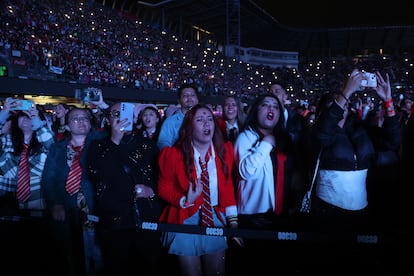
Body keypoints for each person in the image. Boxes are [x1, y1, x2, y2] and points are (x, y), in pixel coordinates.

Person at [309, 69, 402, 270]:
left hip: (361, 211)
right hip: (329, 213)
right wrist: (344, 93)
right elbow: (322, 135)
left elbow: (393, 142)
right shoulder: (319, 132)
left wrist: (388, 102)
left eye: (345, 102)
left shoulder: (359, 129)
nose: (342, 105)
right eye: (333, 103)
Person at [157, 103, 241, 276]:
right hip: (184, 219)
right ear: (189, 126)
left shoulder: (226, 151)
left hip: (215, 217)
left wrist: (233, 222)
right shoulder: (172, 154)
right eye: (200, 120)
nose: (207, 124)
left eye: (210, 119)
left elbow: (227, 189)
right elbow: (163, 188)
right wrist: (184, 199)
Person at [87, 102, 164, 276]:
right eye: (115, 114)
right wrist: (114, 141)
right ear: (107, 120)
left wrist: (151, 191)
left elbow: (160, 178)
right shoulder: (98, 146)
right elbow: (97, 173)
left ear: (135, 119)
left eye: (125, 114)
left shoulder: (148, 145)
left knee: (148, 266)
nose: (121, 118)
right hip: (114, 221)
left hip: (145, 218)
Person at [232, 93, 298, 273]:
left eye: (275, 107)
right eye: (266, 105)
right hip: (255, 217)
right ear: (255, 111)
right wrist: (266, 143)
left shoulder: (284, 139)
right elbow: (246, 172)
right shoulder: (245, 137)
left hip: (280, 214)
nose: (271, 109)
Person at [42, 107, 107, 276]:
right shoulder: (57, 148)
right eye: (75, 119)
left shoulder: (100, 142)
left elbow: (117, 127)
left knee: (98, 255)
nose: (81, 121)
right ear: (68, 126)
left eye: (84, 118)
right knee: (71, 256)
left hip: (95, 209)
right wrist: (55, 203)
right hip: (67, 210)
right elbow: (49, 179)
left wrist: (103, 106)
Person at [0, 97, 55, 214]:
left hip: (36, 201)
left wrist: (36, 119)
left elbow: (52, 147)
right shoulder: (6, 140)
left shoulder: (43, 142)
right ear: (16, 121)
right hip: (5, 201)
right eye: (22, 115)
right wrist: (4, 113)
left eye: (30, 116)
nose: (26, 118)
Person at [157, 83, 199, 149]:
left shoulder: (205, 120)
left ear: (197, 99)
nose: (189, 97)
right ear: (179, 100)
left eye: (192, 95)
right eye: (185, 95)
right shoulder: (170, 122)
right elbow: (163, 146)